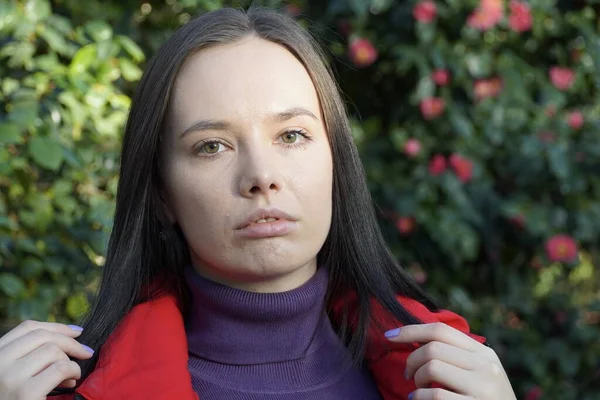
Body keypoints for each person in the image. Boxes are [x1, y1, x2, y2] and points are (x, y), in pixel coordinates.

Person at [0, 6, 516, 400]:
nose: (262, 176)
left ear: (335, 161)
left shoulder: (449, 377)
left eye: (291, 135)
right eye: (212, 146)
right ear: (161, 195)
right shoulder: (61, 388)